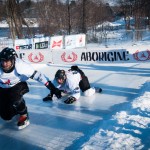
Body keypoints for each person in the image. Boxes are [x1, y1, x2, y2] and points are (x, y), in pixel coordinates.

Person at [0, 47, 61, 130]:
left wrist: (52, 88)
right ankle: (15, 107)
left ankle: (23, 113)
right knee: (6, 117)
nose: (4, 64)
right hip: (3, 87)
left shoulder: (21, 66)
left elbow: (39, 76)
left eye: (7, 61)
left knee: (15, 97)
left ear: (13, 60)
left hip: (18, 84)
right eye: (2, 60)